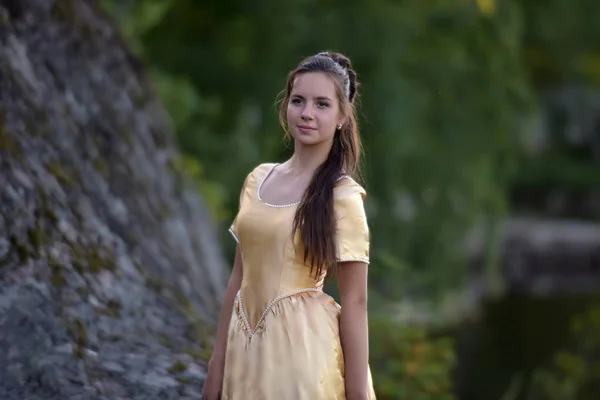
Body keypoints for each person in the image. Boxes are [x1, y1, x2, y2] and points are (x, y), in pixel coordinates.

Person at [202, 51, 376, 400]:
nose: (307, 113)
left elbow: (355, 301)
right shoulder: (258, 179)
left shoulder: (342, 196)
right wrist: (216, 367)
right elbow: (238, 278)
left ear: (343, 115)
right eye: (298, 101)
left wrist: (357, 391)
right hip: (244, 348)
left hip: (303, 354)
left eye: (322, 104)